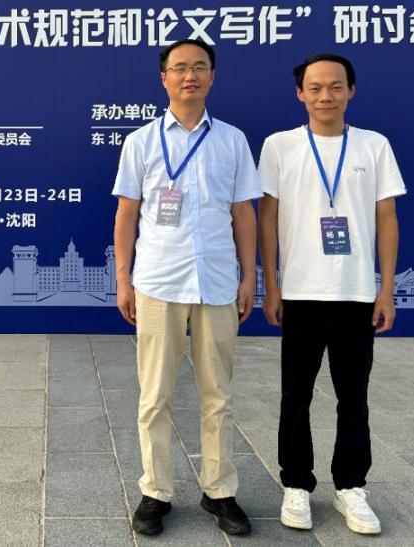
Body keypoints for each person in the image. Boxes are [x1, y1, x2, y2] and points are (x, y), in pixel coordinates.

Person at [112, 39, 261, 537]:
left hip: (217, 282)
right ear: (164, 79)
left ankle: (219, 490)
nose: (189, 75)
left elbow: (243, 212)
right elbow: (127, 214)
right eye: (180, 68)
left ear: (213, 76)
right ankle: (155, 491)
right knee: (154, 395)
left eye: (199, 67)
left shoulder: (232, 141)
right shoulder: (141, 142)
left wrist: (249, 276)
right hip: (158, 282)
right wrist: (123, 279)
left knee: (218, 394)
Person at [257, 54, 405, 535]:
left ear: (351, 91)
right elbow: (267, 219)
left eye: (336, 87)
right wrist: (271, 285)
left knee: (353, 397)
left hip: (355, 292)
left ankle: (351, 487)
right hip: (299, 292)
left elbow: (387, 219)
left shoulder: (374, 145)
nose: (326, 96)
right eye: (315, 87)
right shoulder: (279, 146)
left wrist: (386, 289)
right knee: (295, 395)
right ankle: (296, 485)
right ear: (300, 93)